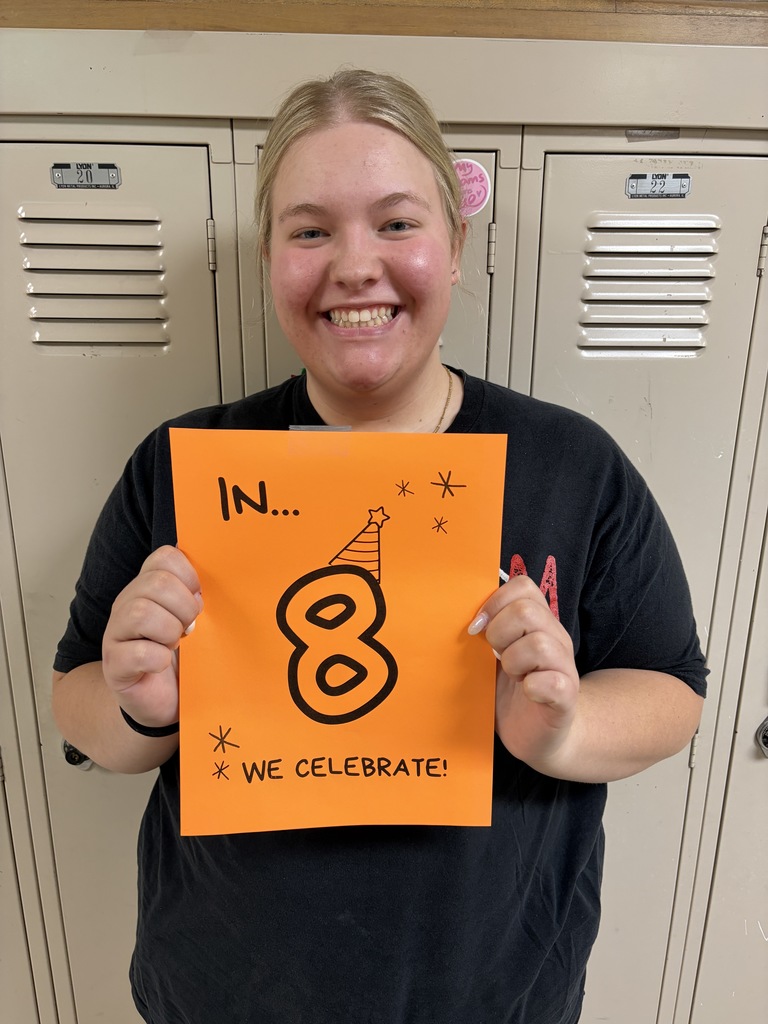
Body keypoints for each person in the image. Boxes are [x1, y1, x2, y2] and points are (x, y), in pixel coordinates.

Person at [52, 69, 707, 1024]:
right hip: (223, 992)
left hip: (493, 991)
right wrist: (145, 707)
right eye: (309, 229)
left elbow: (673, 691)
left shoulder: (574, 465)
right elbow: (79, 699)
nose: (355, 266)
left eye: (397, 223)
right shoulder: (182, 467)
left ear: (456, 246)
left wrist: (558, 729)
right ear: (270, 256)